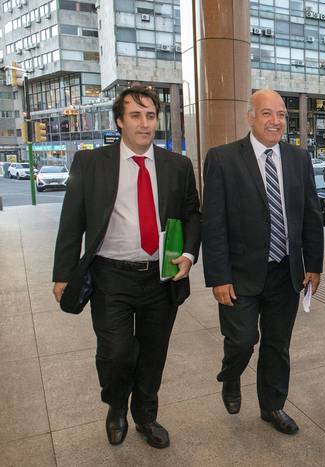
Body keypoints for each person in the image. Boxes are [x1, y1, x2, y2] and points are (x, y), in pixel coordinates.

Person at [52, 85, 201, 448]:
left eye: (150, 115)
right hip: (109, 276)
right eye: (136, 115)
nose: (145, 123)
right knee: (116, 353)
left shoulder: (177, 166)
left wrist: (189, 254)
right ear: (120, 121)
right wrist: (62, 273)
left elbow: (192, 216)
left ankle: (146, 416)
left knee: (153, 354)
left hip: (159, 278)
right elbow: (72, 222)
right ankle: (116, 405)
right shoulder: (91, 164)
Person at [201, 89, 324, 435]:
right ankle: (231, 375)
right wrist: (218, 277)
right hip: (239, 274)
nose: (276, 121)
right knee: (241, 341)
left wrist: (314, 266)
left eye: (282, 115)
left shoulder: (299, 159)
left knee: (277, 344)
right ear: (250, 117)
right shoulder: (223, 159)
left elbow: (311, 216)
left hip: (286, 271)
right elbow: (213, 223)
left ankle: (272, 406)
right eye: (267, 114)